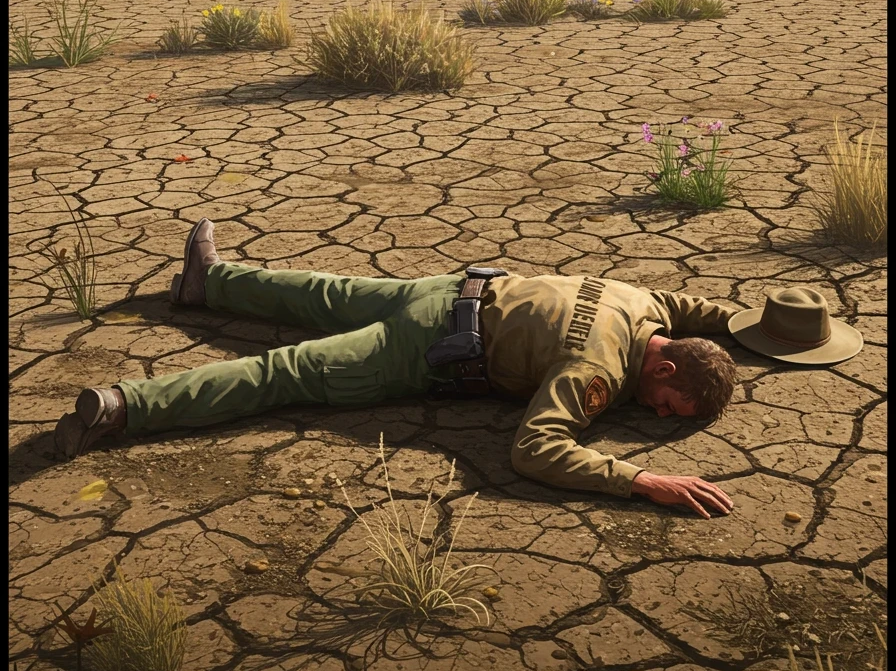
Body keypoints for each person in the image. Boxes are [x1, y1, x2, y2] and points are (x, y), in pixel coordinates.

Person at [55, 218, 745, 518]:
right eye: (667, 407)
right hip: (421, 348)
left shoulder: (641, 301)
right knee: (283, 372)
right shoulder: (595, 372)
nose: (655, 416)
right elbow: (537, 450)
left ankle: (215, 283)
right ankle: (128, 406)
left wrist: (764, 329)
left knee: (318, 292)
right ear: (665, 374)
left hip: (447, 290)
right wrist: (641, 478)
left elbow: (705, 311)